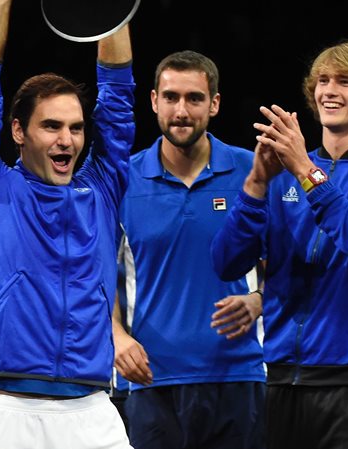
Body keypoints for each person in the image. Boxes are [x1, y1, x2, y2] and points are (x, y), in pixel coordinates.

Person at [0, 0, 135, 449]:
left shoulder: (102, 189)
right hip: (9, 411)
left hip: (93, 408)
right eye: (51, 126)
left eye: (76, 128)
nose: (67, 140)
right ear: (18, 131)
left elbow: (119, 100)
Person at [210, 41, 348, 449]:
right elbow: (225, 263)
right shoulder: (280, 174)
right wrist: (255, 185)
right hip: (281, 380)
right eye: (322, 80)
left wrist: (306, 171)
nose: (329, 90)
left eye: (345, 82)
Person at [113, 50, 264, 449]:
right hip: (150, 378)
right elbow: (92, 276)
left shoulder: (253, 170)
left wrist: (259, 300)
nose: (182, 110)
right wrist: (115, 336)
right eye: (171, 97)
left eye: (194, 98)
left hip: (238, 376)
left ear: (214, 104)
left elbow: (290, 262)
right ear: (153, 101)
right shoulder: (122, 180)